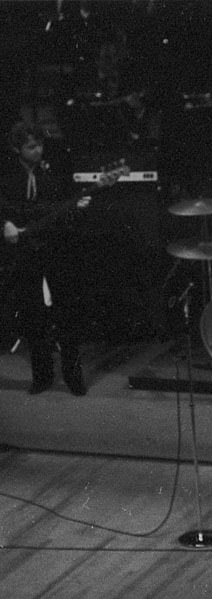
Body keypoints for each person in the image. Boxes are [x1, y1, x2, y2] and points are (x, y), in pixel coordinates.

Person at [1, 122, 92, 395]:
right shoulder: (7, 174)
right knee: (31, 312)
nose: (38, 150)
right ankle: (42, 376)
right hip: (25, 249)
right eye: (31, 146)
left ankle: (73, 375)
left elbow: (65, 203)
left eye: (40, 145)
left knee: (66, 311)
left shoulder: (55, 171)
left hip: (56, 246)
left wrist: (77, 206)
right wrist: (4, 223)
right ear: (17, 149)